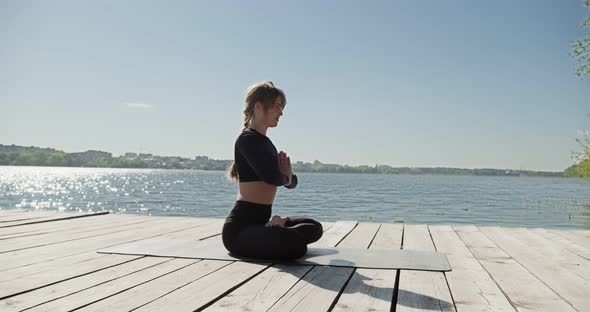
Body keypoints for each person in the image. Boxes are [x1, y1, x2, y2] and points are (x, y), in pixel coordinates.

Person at [222, 81, 323, 260]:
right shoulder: (247, 139)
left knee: (314, 227)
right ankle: (275, 229)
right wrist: (285, 177)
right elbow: (270, 177)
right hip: (239, 231)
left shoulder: (265, 142)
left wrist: (287, 177)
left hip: (260, 224)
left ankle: (275, 227)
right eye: (277, 106)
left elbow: (290, 181)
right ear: (259, 106)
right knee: (297, 247)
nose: (281, 112)